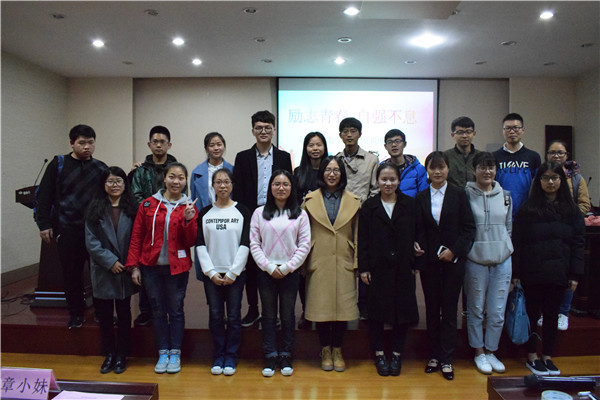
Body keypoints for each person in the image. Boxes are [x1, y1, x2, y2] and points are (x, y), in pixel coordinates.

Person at [512, 161, 585, 376]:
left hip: (559, 271)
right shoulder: (528, 209)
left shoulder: (571, 210)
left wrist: (575, 274)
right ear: (539, 181)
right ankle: (532, 356)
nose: (550, 182)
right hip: (532, 271)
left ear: (561, 181)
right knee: (531, 315)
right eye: (546, 178)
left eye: (555, 178)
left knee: (552, 316)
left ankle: (547, 356)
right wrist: (516, 273)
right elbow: (518, 243)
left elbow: (578, 243)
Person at [127, 162, 198, 374]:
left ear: (185, 181)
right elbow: (137, 237)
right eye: (172, 177)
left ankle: (175, 352)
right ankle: (162, 351)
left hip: (177, 268)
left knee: (175, 310)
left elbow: (190, 241)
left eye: (181, 178)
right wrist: (134, 266)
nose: (176, 181)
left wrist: (188, 220)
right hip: (151, 267)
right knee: (157, 310)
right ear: (164, 179)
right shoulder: (148, 204)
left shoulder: (189, 206)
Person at [35, 124, 108, 329]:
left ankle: (101, 313)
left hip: (95, 230)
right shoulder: (58, 164)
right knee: (71, 274)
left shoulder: (101, 168)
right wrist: (44, 224)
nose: (87, 147)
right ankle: (76, 314)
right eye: (82, 143)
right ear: (72, 143)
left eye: (91, 143)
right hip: (67, 229)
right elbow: (44, 196)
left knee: (99, 274)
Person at [415, 151, 475, 380]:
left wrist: (454, 251)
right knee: (432, 310)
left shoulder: (459, 195)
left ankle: (447, 358)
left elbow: (469, 228)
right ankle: (433, 355)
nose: (437, 172)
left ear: (448, 169)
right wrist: (417, 246)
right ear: (427, 171)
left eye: (441, 167)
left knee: (449, 311)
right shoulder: (420, 197)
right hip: (430, 263)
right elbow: (418, 229)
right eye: (433, 168)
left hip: (453, 262)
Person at [232, 110, 293, 328]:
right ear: (253, 131)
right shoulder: (242, 157)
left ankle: (275, 312)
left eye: (268, 128)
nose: (263, 131)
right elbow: (238, 190)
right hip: (251, 215)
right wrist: (244, 216)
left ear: (274, 130)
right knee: (251, 262)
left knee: (275, 260)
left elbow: (288, 186)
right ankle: (253, 309)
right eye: (259, 128)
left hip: (277, 214)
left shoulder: (283, 157)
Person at [358, 162, 419, 377]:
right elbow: (363, 239)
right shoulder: (369, 206)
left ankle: (396, 354)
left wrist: (415, 257)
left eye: (392, 179)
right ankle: (379, 354)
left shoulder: (410, 204)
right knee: (376, 314)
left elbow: (417, 233)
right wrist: (364, 268)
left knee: (401, 313)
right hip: (378, 268)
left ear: (399, 181)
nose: (388, 183)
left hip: (403, 267)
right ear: (377, 181)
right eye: (384, 179)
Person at [302, 156, 361, 373]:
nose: (332, 174)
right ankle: (325, 350)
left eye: (336, 170)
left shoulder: (354, 201)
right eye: (328, 170)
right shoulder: (309, 200)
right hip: (318, 258)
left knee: (342, 308)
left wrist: (357, 262)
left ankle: (338, 350)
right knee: (322, 307)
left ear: (342, 174)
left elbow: (358, 234)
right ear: (322, 173)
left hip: (344, 257)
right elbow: (303, 233)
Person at [250, 170, 311, 377]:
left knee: (287, 315)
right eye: (277, 184)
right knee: (268, 316)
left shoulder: (300, 214)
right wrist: (268, 267)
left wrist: (287, 268)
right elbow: (254, 244)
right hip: (266, 272)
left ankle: (285, 354)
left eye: (286, 184)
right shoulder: (259, 213)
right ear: (270, 187)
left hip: (290, 272)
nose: (281, 188)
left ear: (292, 187)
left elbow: (304, 245)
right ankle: (269, 355)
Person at [196, 168, 250, 376]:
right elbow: (200, 244)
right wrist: (210, 272)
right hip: (212, 275)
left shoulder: (242, 211)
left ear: (232, 185)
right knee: (216, 315)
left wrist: (233, 272)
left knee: (234, 316)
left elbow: (245, 243)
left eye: (226, 181)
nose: (222, 186)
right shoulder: (205, 213)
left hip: (235, 274)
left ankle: (231, 355)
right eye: (218, 182)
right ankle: (219, 354)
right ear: (213, 186)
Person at [130, 125, 185, 327]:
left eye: (163, 142)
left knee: (170, 271)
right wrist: (151, 213)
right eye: (155, 142)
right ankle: (146, 310)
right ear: (149, 144)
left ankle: (171, 310)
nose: (159, 145)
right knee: (148, 268)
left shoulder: (176, 170)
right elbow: (135, 195)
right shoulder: (141, 171)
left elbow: (182, 194)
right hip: (147, 223)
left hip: (171, 224)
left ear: (169, 145)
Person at [85, 167, 138, 374]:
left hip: (125, 269)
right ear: (103, 184)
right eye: (110, 181)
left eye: (118, 181)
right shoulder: (95, 208)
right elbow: (91, 242)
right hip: (104, 269)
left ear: (125, 184)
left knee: (124, 314)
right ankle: (109, 354)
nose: (114, 185)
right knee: (105, 316)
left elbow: (138, 238)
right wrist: (110, 261)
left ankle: (122, 354)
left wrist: (130, 263)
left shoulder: (133, 208)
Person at [464, 152, 513, 375]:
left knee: (497, 310)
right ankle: (479, 351)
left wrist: (505, 248)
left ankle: (492, 350)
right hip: (475, 258)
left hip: (502, 259)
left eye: (491, 167)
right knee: (475, 308)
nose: (487, 171)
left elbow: (508, 227)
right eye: (482, 167)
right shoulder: (465, 194)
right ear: (474, 170)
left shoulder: (506, 195)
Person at [537, 140, 591, 331]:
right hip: (544, 229)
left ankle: (563, 312)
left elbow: (584, 204)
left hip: (567, 229)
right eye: (552, 152)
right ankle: (545, 310)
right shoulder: (540, 174)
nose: (556, 156)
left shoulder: (576, 178)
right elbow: (533, 199)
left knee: (567, 271)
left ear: (567, 155)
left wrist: (566, 214)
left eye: (560, 153)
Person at [335, 117, 378, 320]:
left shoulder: (371, 160)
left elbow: (375, 189)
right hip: (339, 218)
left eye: (353, 131)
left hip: (364, 216)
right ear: (340, 135)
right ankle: (343, 303)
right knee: (342, 258)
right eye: (345, 131)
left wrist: (364, 207)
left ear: (360, 134)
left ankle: (364, 305)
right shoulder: (335, 160)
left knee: (363, 257)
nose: (349, 135)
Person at [293, 131, 329, 329]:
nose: (315, 149)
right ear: (306, 148)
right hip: (304, 228)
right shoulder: (299, 172)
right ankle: (307, 311)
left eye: (319, 144)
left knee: (324, 271)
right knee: (304, 271)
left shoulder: (331, 170)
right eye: (311, 145)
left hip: (326, 229)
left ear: (324, 147)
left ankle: (324, 311)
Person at [493, 113, 541, 216]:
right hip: (500, 211)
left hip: (527, 212)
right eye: (508, 128)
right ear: (503, 131)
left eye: (516, 128)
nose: (512, 132)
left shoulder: (533, 156)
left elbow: (538, 185)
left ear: (523, 130)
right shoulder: (494, 157)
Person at [191, 132, 234, 210]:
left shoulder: (233, 170)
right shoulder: (197, 172)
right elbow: (193, 199)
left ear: (224, 146)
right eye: (212, 145)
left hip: (229, 213)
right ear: (206, 148)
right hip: (204, 213)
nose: (216, 148)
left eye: (219, 144)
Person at [380, 129, 428, 197]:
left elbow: (424, 195)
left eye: (397, 141)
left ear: (404, 144)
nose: (394, 145)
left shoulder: (418, 169)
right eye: (390, 142)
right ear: (385, 146)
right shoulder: (381, 169)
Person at [444, 116, 482, 188]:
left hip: (476, 194)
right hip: (453, 194)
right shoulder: (445, 157)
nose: (464, 136)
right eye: (460, 132)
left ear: (474, 134)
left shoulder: (481, 156)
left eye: (468, 132)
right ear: (453, 135)